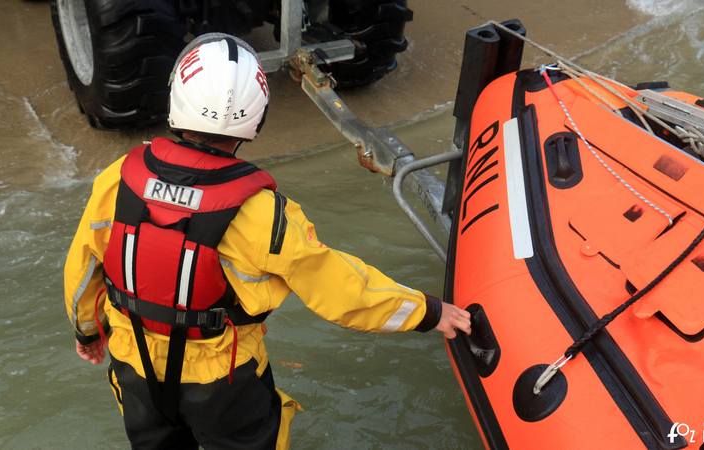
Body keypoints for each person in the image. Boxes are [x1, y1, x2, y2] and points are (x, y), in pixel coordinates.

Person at [63, 33, 471, 450]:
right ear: (255, 119)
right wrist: (428, 312)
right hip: (224, 382)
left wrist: (87, 332)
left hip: (136, 368)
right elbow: (341, 289)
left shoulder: (117, 179)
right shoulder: (263, 213)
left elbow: (82, 268)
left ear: (176, 97)